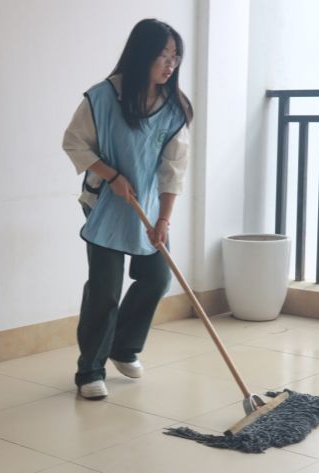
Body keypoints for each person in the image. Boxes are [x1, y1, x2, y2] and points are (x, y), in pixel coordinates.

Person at [62, 18, 193, 400]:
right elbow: (74, 143)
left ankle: (123, 347)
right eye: (163, 55)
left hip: (147, 205)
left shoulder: (174, 108)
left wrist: (164, 219)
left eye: (175, 56)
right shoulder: (103, 97)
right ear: (141, 55)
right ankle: (90, 370)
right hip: (106, 203)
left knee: (157, 277)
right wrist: (113, 176)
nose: (170, 64)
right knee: (105, 288)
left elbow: (173, 168)